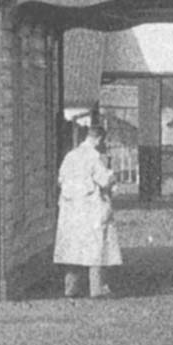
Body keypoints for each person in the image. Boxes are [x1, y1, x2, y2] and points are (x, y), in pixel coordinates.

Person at [53, 124, 122, 298]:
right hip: (91, 209)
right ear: (99, 139)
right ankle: (97, 289)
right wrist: (112, 176)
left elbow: (60, 179)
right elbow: (104, 180)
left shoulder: (70, 156)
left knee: (73, 248)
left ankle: (70, 288)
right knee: (96, 249)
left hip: (71, 209)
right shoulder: (94, 157)